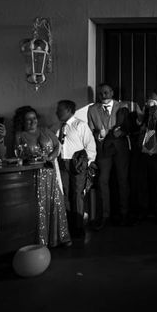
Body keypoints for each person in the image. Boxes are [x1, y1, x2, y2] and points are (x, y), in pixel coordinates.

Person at [14, 106, 71, 247]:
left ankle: (60, 237)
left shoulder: (45, 130)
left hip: (50, 172)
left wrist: (51, 157)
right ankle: (42, 240)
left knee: (56, 203)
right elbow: (17, 155)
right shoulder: (19, 135)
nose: (32, 121)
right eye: (28, 119)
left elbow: (58, 146)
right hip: (34, 174)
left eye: (34, 118)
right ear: (23, 121)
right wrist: (29, 157)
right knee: (39, 206)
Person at [86, 83, 131, 229]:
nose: (103, 96)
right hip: (103, 148)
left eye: (106, 92)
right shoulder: (92, 109)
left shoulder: (122, 106)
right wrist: (98, 136)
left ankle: (124, 214)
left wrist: (122, 132)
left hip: (120, 148)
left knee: (122, 179)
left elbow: (129, 127)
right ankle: (105, 216)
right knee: (103, 181)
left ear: (112, 92)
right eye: (101, 94)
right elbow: (91, 129)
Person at [129, 92, 157, 223]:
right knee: (142, 185)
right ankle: (143, 212)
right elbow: (132, 128)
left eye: (155, 101)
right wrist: (139, 119)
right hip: (142, 155)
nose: (152, 104)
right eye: (150, 101)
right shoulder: (141, 114)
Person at [55, 100, 96, 238]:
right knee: (65, 193)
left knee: (77, 194)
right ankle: (68, 226)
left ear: (68, 110)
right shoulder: (60, 127)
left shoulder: (80, 125)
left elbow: (90, 147)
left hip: (77, 164)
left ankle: (78, 227)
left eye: (59, 109)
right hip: (62, 164)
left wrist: (85, 164)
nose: (56, 112)